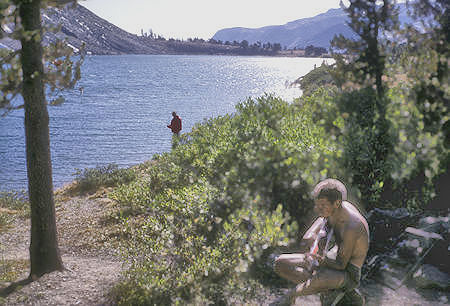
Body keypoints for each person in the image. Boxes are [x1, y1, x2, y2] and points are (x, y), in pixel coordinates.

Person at [273, 178, 369, 305]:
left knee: (321, 276)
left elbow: (341, 264)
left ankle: (293, 294)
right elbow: (321, 220)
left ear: (337, 203)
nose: (318, 209)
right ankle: (329, 290)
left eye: (322, 205)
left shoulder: (352, 226)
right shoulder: (335, 208)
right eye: (317, 204)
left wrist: (319, 260)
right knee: (280, 263)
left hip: (347, 273)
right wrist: (312, 234)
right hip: (325, 261)